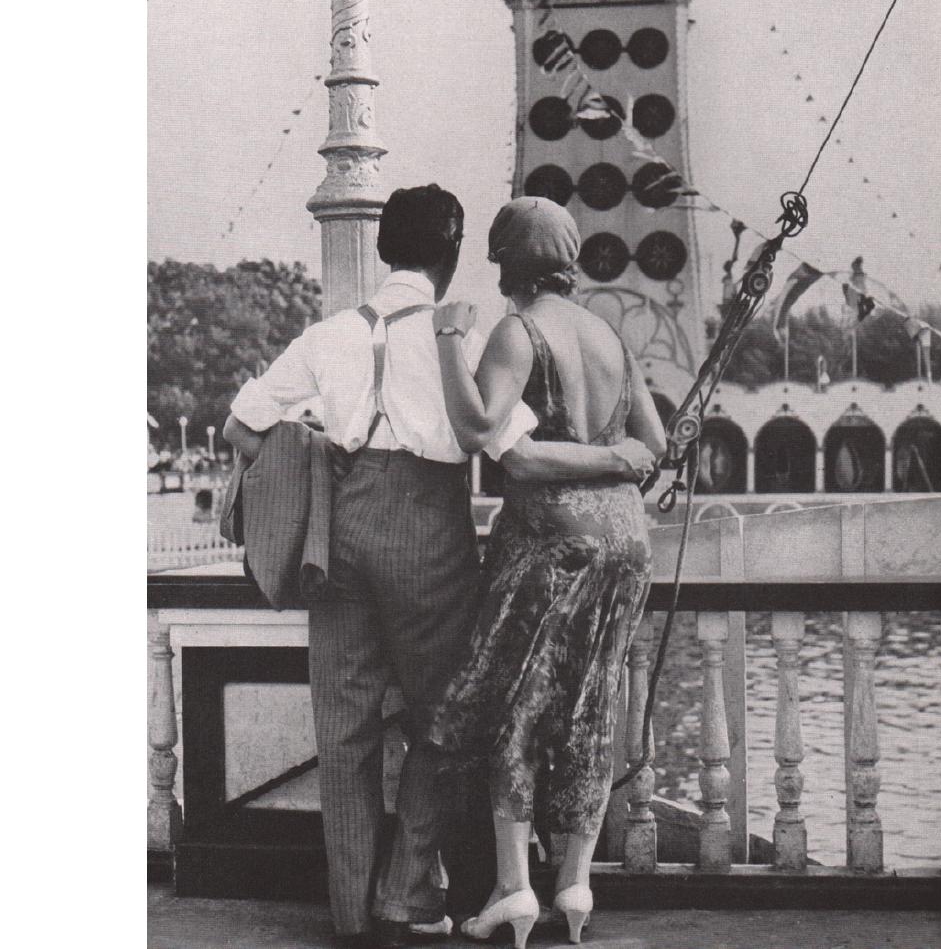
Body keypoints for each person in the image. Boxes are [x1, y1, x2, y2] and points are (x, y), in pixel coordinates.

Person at [223, 185, 653, 949]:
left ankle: (352, 915)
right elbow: (514, 449)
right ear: (452, 255)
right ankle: (407, 895)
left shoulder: (329, 335)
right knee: (445, 721)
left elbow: (241, 426)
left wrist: (318, 457)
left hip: (341, 531)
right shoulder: (465, 337)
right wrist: (622, 459)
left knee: (344, 730)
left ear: (382, 247)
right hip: (428, 532)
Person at [428, 196, 666, 949]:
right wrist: (613, 458)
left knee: (518, 704)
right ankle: (575, 883)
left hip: (549, 539)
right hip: (626, 540)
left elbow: (479, 428)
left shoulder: (518, 330)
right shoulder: (607, 333)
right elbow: (653, 446)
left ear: (507, 265)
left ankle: (513, 889)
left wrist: (447, 340)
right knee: (593, 701)